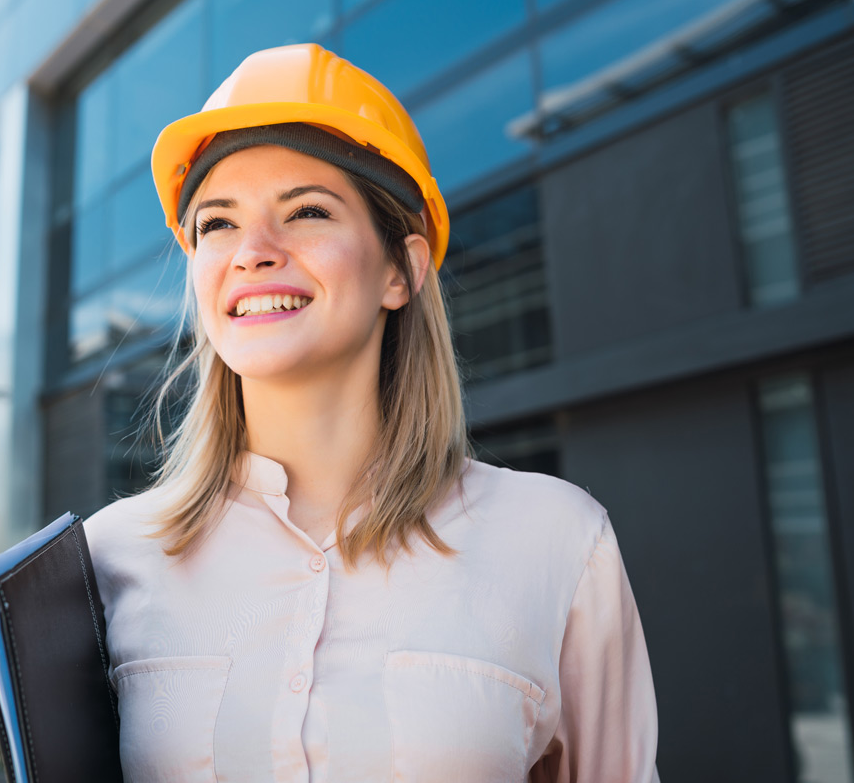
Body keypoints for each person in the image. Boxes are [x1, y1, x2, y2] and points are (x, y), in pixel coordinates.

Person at [84, 43, 660, 781]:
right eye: (217, 224)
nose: (252, 251)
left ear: (401, 269)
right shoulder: (107, 560)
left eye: (308, 211)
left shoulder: (556, 542)